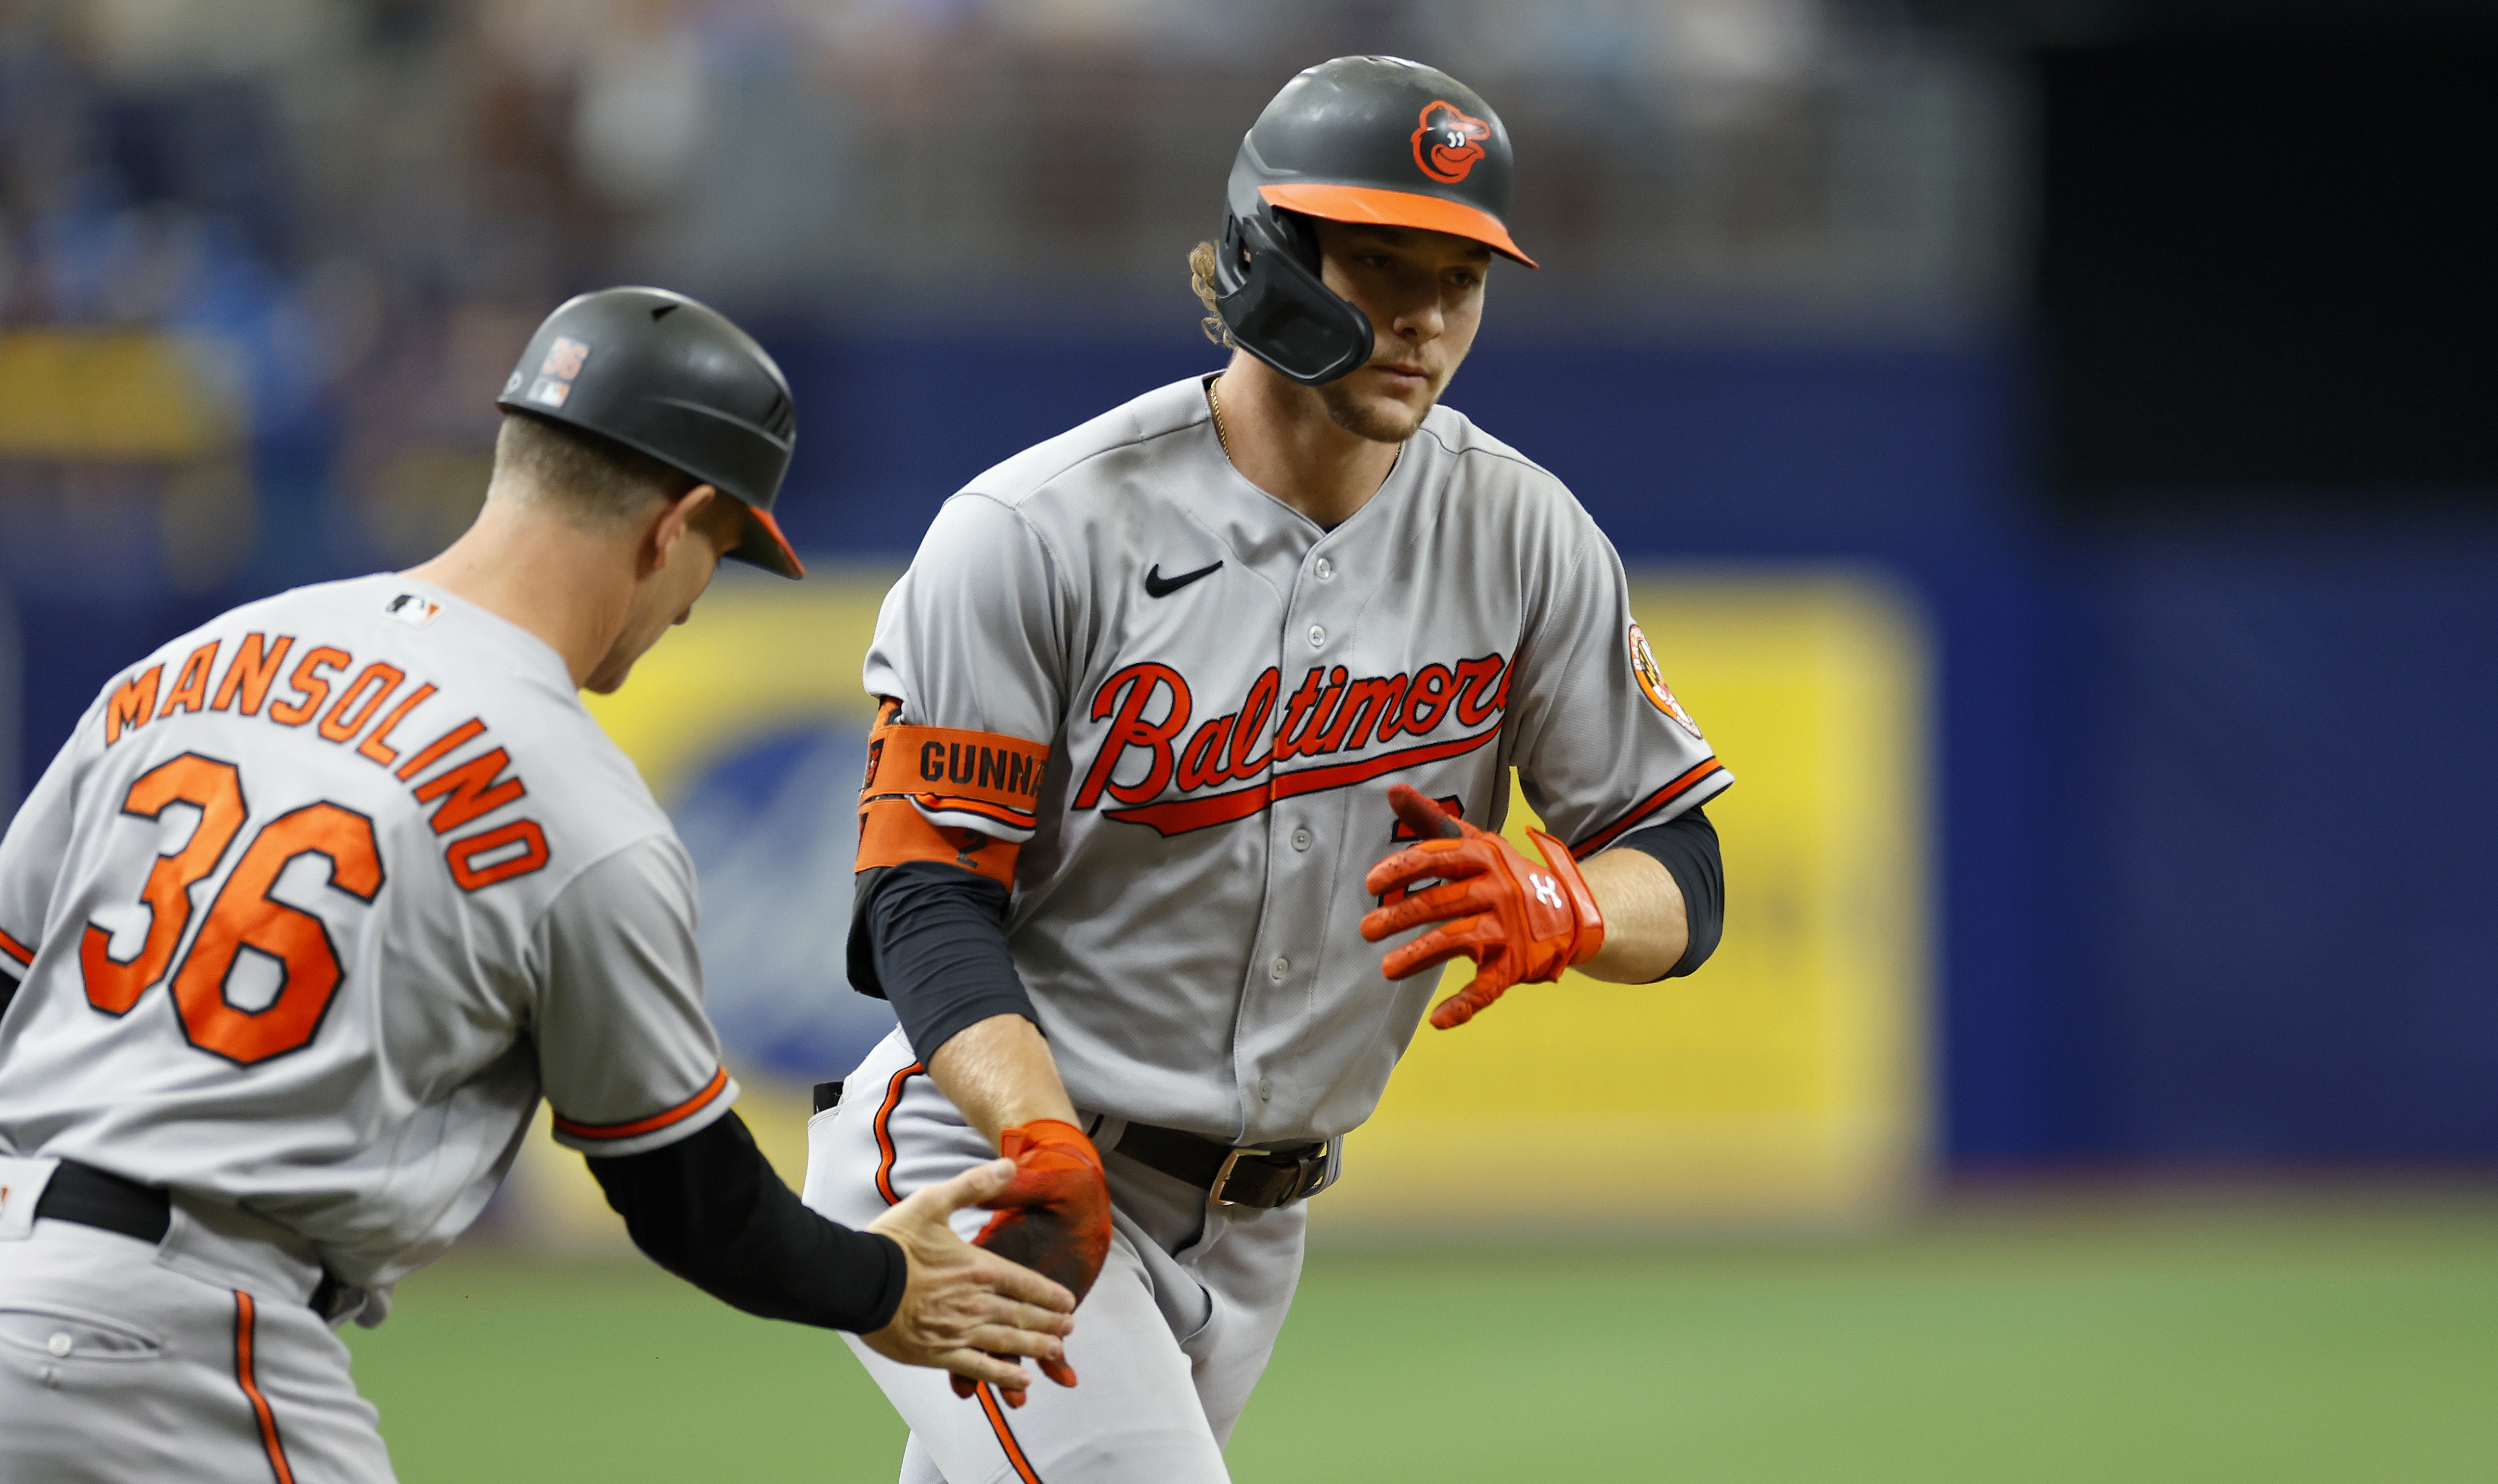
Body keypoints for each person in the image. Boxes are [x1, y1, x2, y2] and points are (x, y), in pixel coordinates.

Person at [802, 56, 1731, 1484]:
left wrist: (1572, 905)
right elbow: (921, 895)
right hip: (991, 1160)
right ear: (1258, 260)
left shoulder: (1522, 536)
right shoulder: (1036, 530)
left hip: (1257, 1219)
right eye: (1378, 261)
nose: (1423, 314)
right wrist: (1036, 1130)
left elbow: (1681, 863)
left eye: (1461, 277)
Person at [0, 287, 1076, 1484]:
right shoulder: (576, 802)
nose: (696, 600)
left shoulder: (191, 667)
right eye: (721, 555)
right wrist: (884, 1284)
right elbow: (690, 1198)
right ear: (676, 527)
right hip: (188, 1349)